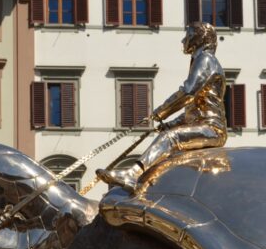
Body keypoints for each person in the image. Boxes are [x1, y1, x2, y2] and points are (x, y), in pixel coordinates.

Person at [97, 21, 226, 192]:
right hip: (203, 125)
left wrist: (160, 113)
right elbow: (194, 109)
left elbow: (188, 92)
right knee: (167, 138)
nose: (183, 41)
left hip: (211, 129)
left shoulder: (206, 59)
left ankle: (132, 174)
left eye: (187, 36)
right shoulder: (202, 60)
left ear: (198, 38)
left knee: (170, 138)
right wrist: (170, 123)